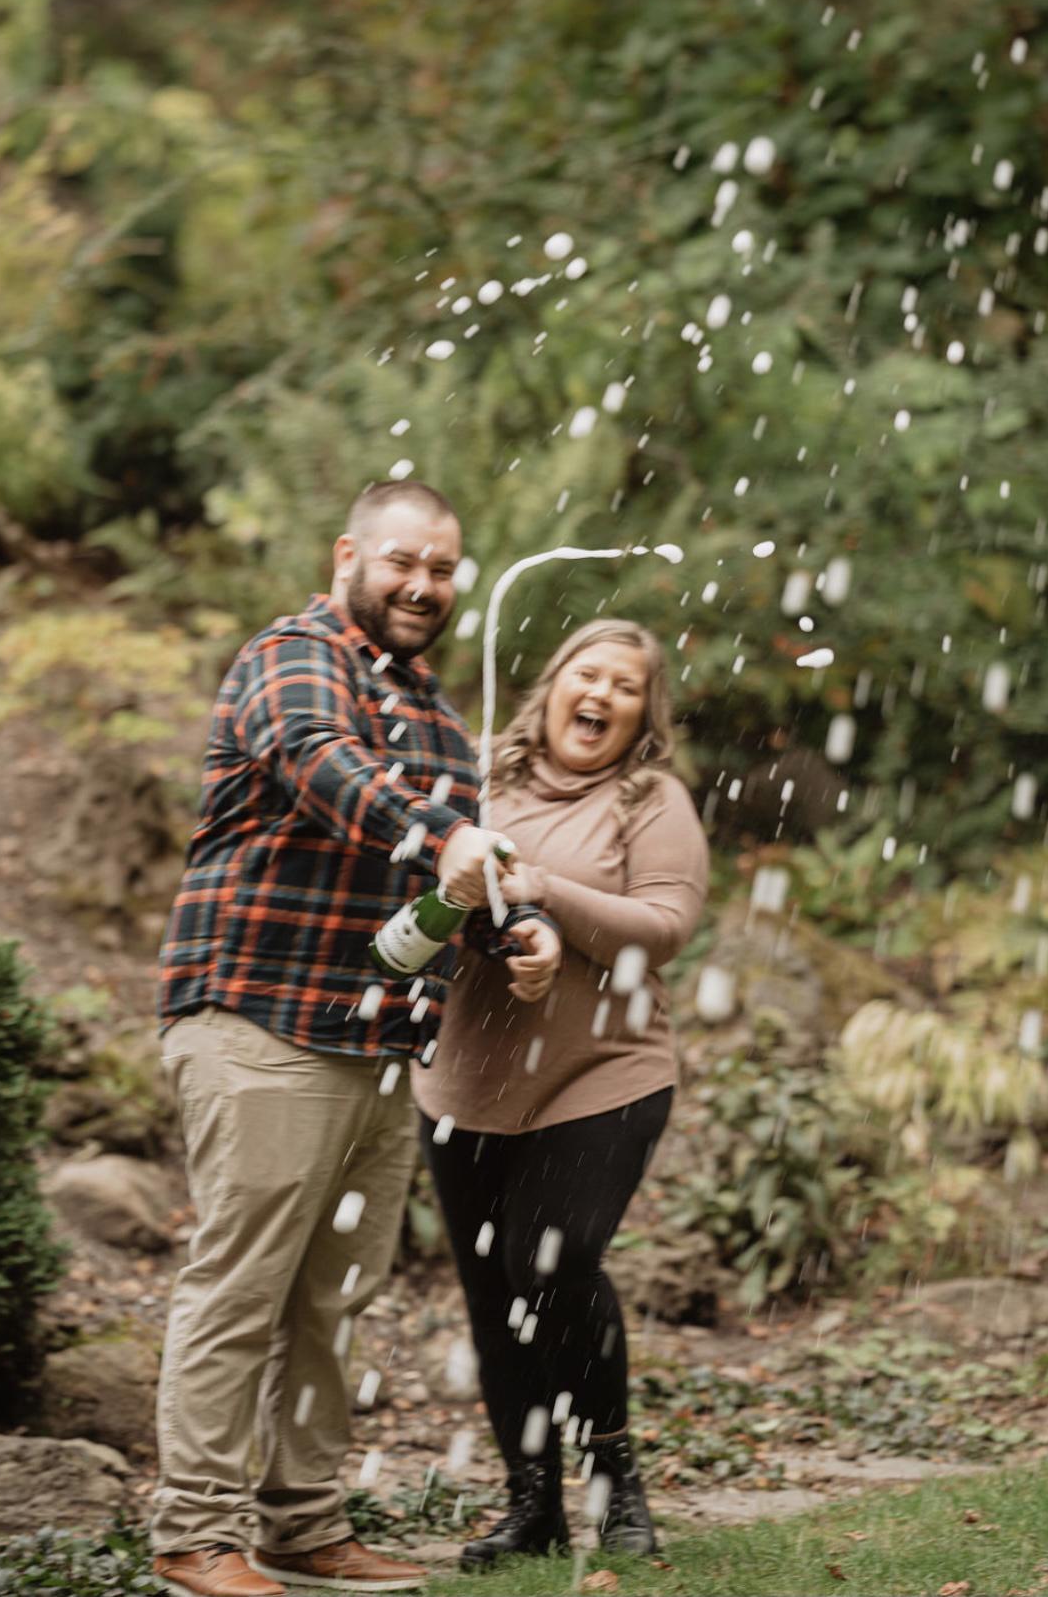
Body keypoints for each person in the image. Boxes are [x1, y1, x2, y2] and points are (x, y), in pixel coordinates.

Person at [150, 479, 562, 1597]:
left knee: (331, 1298)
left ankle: (302, 1523)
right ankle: (194, 1534)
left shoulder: (436, 714)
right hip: (261, 1020)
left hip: (378, 1040)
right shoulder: (295, 656)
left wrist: (513, 932)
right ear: (348, 556)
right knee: (242, 1285)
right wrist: (442, 836)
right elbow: (322, 763)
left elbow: (453, 876)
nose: (423, 585)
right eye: (402, 561)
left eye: (442, 568)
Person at [411, 618, 709, 1568]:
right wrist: (488, 914)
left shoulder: (649, 799)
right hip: (464, 1080)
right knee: (494, 1295)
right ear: (551, 688)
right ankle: (532, 1506)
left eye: (626, 685)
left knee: (554, 1258)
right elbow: (422, 893)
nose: (602, 694)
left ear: (644, 714)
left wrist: (544, 891)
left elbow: (663, 927)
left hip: (603, 1073)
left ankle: (615, 1480)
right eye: (588, 673)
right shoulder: (473, 780)